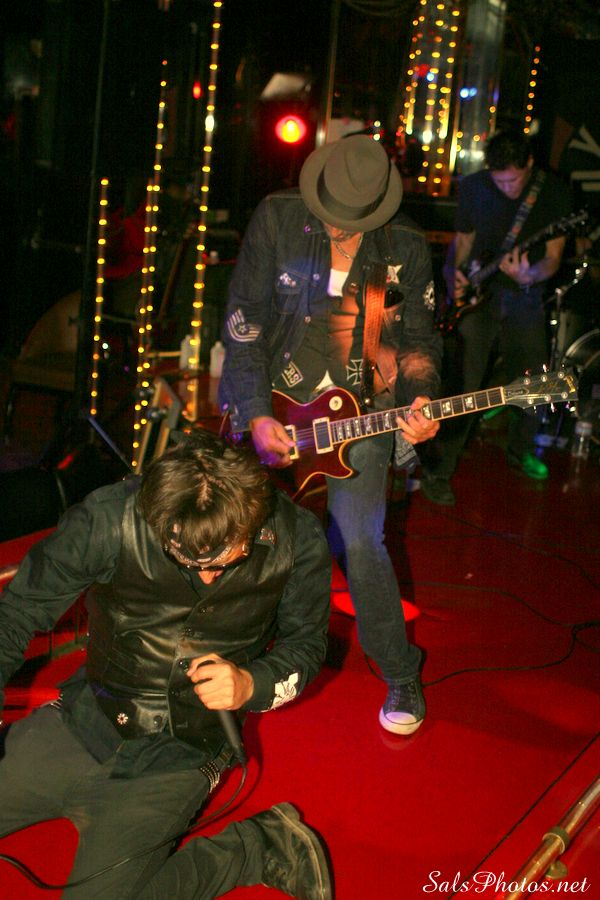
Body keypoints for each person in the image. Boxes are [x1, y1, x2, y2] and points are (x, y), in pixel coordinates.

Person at [0, 432, 333, 899]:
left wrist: (250, 683)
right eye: (189, 560)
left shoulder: (296, 538)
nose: (209, 576)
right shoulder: (110, 517)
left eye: (225, 559)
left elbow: (307, 645)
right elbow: (18, 611)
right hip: (84, 717)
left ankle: (254, 848)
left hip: (183, 751)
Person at [219, 135, 443, 736]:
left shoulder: (404, 246)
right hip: (275, 404)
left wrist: (421, 398)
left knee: (363, 541)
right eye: (330, 213)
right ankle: (223, 659)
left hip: (361, 411)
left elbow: (419, 342)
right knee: (237, 536)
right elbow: (244, 323)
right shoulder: (278, 218)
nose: (336, 227)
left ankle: (400, 673)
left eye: (350, 219)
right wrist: (255, 412)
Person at [420, 128, 573, 506]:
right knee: (464, 382)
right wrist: (453, 276)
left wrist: (529, 275)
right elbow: (464, 240)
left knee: (535, 380)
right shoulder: (474, 186)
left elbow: (553, 257)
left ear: (530, 164)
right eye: (498, 180)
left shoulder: (554, 192)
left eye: (513, 181)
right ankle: (439, 471)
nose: (505, 188)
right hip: (478, 298)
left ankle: (521, 450)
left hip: (524, 296)